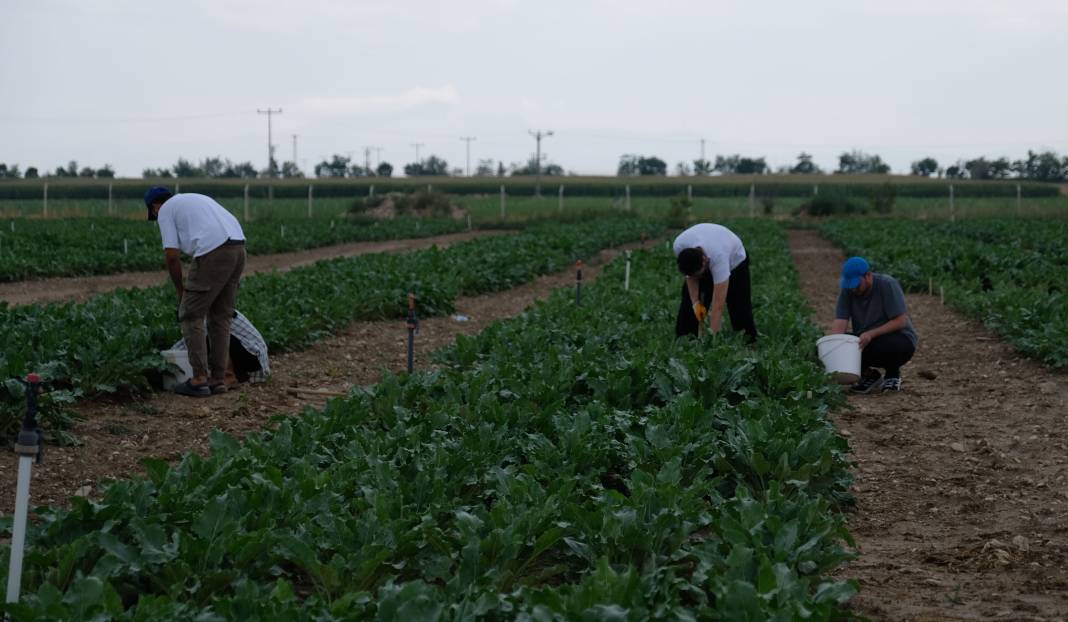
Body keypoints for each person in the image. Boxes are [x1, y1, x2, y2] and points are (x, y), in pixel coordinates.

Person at [145, 186, 246, 397]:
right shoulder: (194, 199)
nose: (155, 216)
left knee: (190, 314)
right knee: (220, 317)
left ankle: (199, 378)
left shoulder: (165, 210)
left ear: (155, 206)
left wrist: (181, 291)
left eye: (153, 213)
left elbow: (172, 256)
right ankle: (220, 379)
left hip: (214, 251)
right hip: (238, 248)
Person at [830, 256, 918, 393]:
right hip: (865, 340)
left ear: (868, 276)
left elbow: (901, 321)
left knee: (887, 346)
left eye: (856, 285)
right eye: (850, 286)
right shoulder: (848, 290)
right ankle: (869, 376)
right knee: (827, 347)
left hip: (898, 338)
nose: (853, 290)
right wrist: (833, 348)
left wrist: (871, 334)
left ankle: (892, 375)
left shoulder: (887, 284)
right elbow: (840, 322)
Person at [673, 222, 757, 340]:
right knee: (688, 302)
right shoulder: (679, 245)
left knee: (739, 305)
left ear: (704, 260)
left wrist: (712, 339)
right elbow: (690, 277)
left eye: (700, 275)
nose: (699, 279)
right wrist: (695, 304)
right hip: (704, 256)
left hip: (736, 263)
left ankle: (748, 341)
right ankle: (685, 339)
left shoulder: (719, 257)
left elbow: (718, 305)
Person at [171, 310, 271, 385]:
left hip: (252, 356)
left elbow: (187, 343)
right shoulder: (214, 307)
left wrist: (168, 357)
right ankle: (234, 374)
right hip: (253, 356)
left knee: (216, 336)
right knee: (210, 340)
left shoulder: (205, 319)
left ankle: (228, 375)